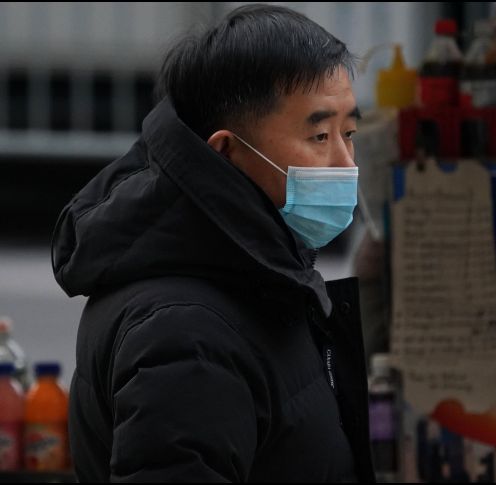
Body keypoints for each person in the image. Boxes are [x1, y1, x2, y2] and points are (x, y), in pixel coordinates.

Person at [51, 4, 374, 482]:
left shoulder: (260, 277)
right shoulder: (184, 336)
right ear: (225, 152)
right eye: (320, 135)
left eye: (349, 134)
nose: (346, 164)